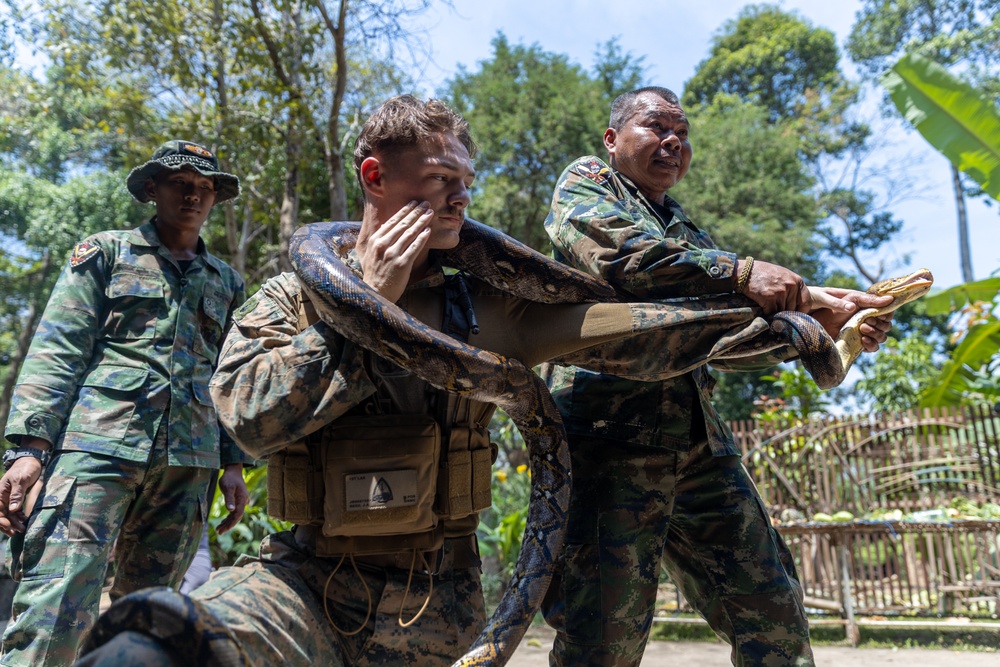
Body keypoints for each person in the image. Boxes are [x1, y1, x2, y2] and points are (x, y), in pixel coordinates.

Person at [68, 95, 814, 667]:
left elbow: (630, 333)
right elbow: (247, 418)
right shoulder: (293, 298)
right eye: (439, 181)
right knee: (149, 643)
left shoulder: (485, 306)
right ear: (374, 176)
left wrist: (797, 320)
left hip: (442, 605)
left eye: (467, 182)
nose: (461, 200)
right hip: (306, 583)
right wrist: (363, 315)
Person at [538, 86, 896, 667]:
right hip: (608, 441)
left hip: (700, 446)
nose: (673, 142)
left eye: (682, 134)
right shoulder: (588, 186)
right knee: (603, 636)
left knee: (774, 614)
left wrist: (825, 324)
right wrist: (743, 272)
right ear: (612, 140)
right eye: (656, 127)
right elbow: (628, 260)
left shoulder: (688, 231)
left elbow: (725, 342)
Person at [0, 140, 252, 666]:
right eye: (180, 183)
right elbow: (59, 347)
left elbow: (231, 375)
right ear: (152, 190)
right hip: (99, 449)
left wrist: (233, 463)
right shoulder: (106, 252)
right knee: (56, 601)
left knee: (151, 616)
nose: (193, 195)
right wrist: (29, 450)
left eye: (204, 187)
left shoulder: (227, 281)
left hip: (189, 463)